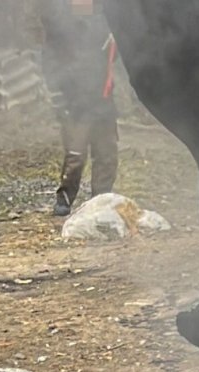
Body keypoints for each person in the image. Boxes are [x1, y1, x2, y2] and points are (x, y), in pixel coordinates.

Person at [40, 0, 119, 217]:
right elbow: (50, 61)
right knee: (75, 155)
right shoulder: (60, 25)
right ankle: (64, 198)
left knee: (106, 154)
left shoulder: (104, 23)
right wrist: (58, 95)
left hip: (102, 99)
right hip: (74, 101)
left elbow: (113, 56)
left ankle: (101, 200)